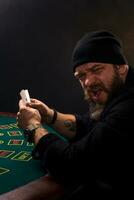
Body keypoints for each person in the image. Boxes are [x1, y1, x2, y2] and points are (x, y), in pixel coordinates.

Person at [17, 30, 134, 199]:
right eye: (81, 76)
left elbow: (70, 166)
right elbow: (90, 126)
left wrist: (34, 126)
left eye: (97, 70)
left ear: (121, 68)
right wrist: (49, 115)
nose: (88, 82)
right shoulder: (118, 93)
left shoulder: (128, 107)